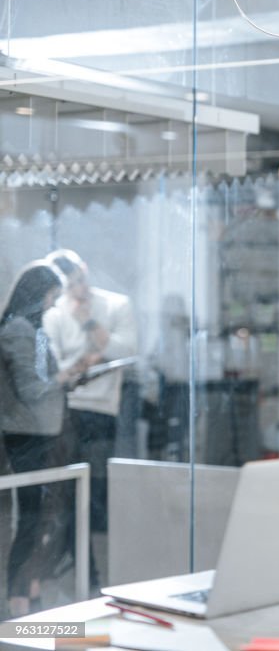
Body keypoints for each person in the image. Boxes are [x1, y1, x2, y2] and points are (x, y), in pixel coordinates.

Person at [0, 262, 84, 616]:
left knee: (41, 518)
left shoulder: (29, 328)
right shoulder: (20, 330)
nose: (53, 304)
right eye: (51, 296)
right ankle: (20, 599)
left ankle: (27, 592)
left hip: (39, 431)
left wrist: (67, 378)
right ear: (38, 293)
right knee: (33, 518)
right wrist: (64, 378)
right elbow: (33, 389)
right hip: (28, 434)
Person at [42, 250, 137, 534]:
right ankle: (70, 551)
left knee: (96, 484)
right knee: (66, 488)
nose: (80, 289)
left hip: (103, 408)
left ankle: (91, 553)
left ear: (86, 270)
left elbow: (128, 351)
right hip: (66, 409)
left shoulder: (116, 305)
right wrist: (91, 357)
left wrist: (90, 324)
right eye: (71, 285)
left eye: (81, 280)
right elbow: (55, 367)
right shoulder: (55, 313)